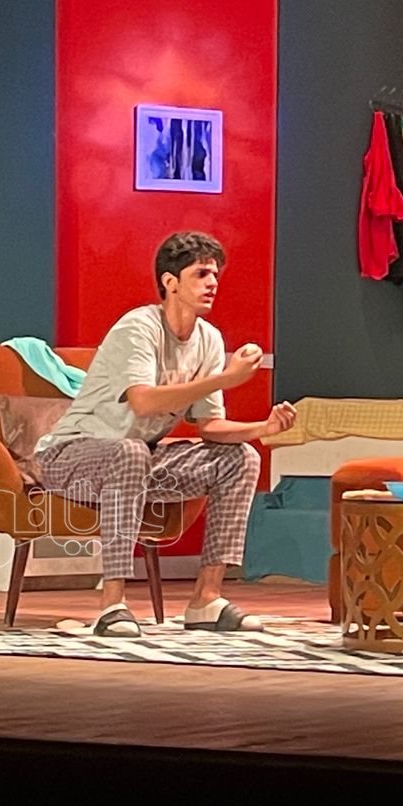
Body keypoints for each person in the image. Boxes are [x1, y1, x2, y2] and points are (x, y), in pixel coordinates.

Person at [33, 231, 296, 637]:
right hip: (68, 457)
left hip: (137, 458)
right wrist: (225, 378)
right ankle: (112, 606)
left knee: (242, 458)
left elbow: (210, 427)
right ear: (170, 282)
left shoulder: (209, 339)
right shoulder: (138, 328)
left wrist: (263, 429)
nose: (213, 283)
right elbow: (143, 402)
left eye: (215, 274)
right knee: (130, 452)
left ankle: (206, 599)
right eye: (201, 274)